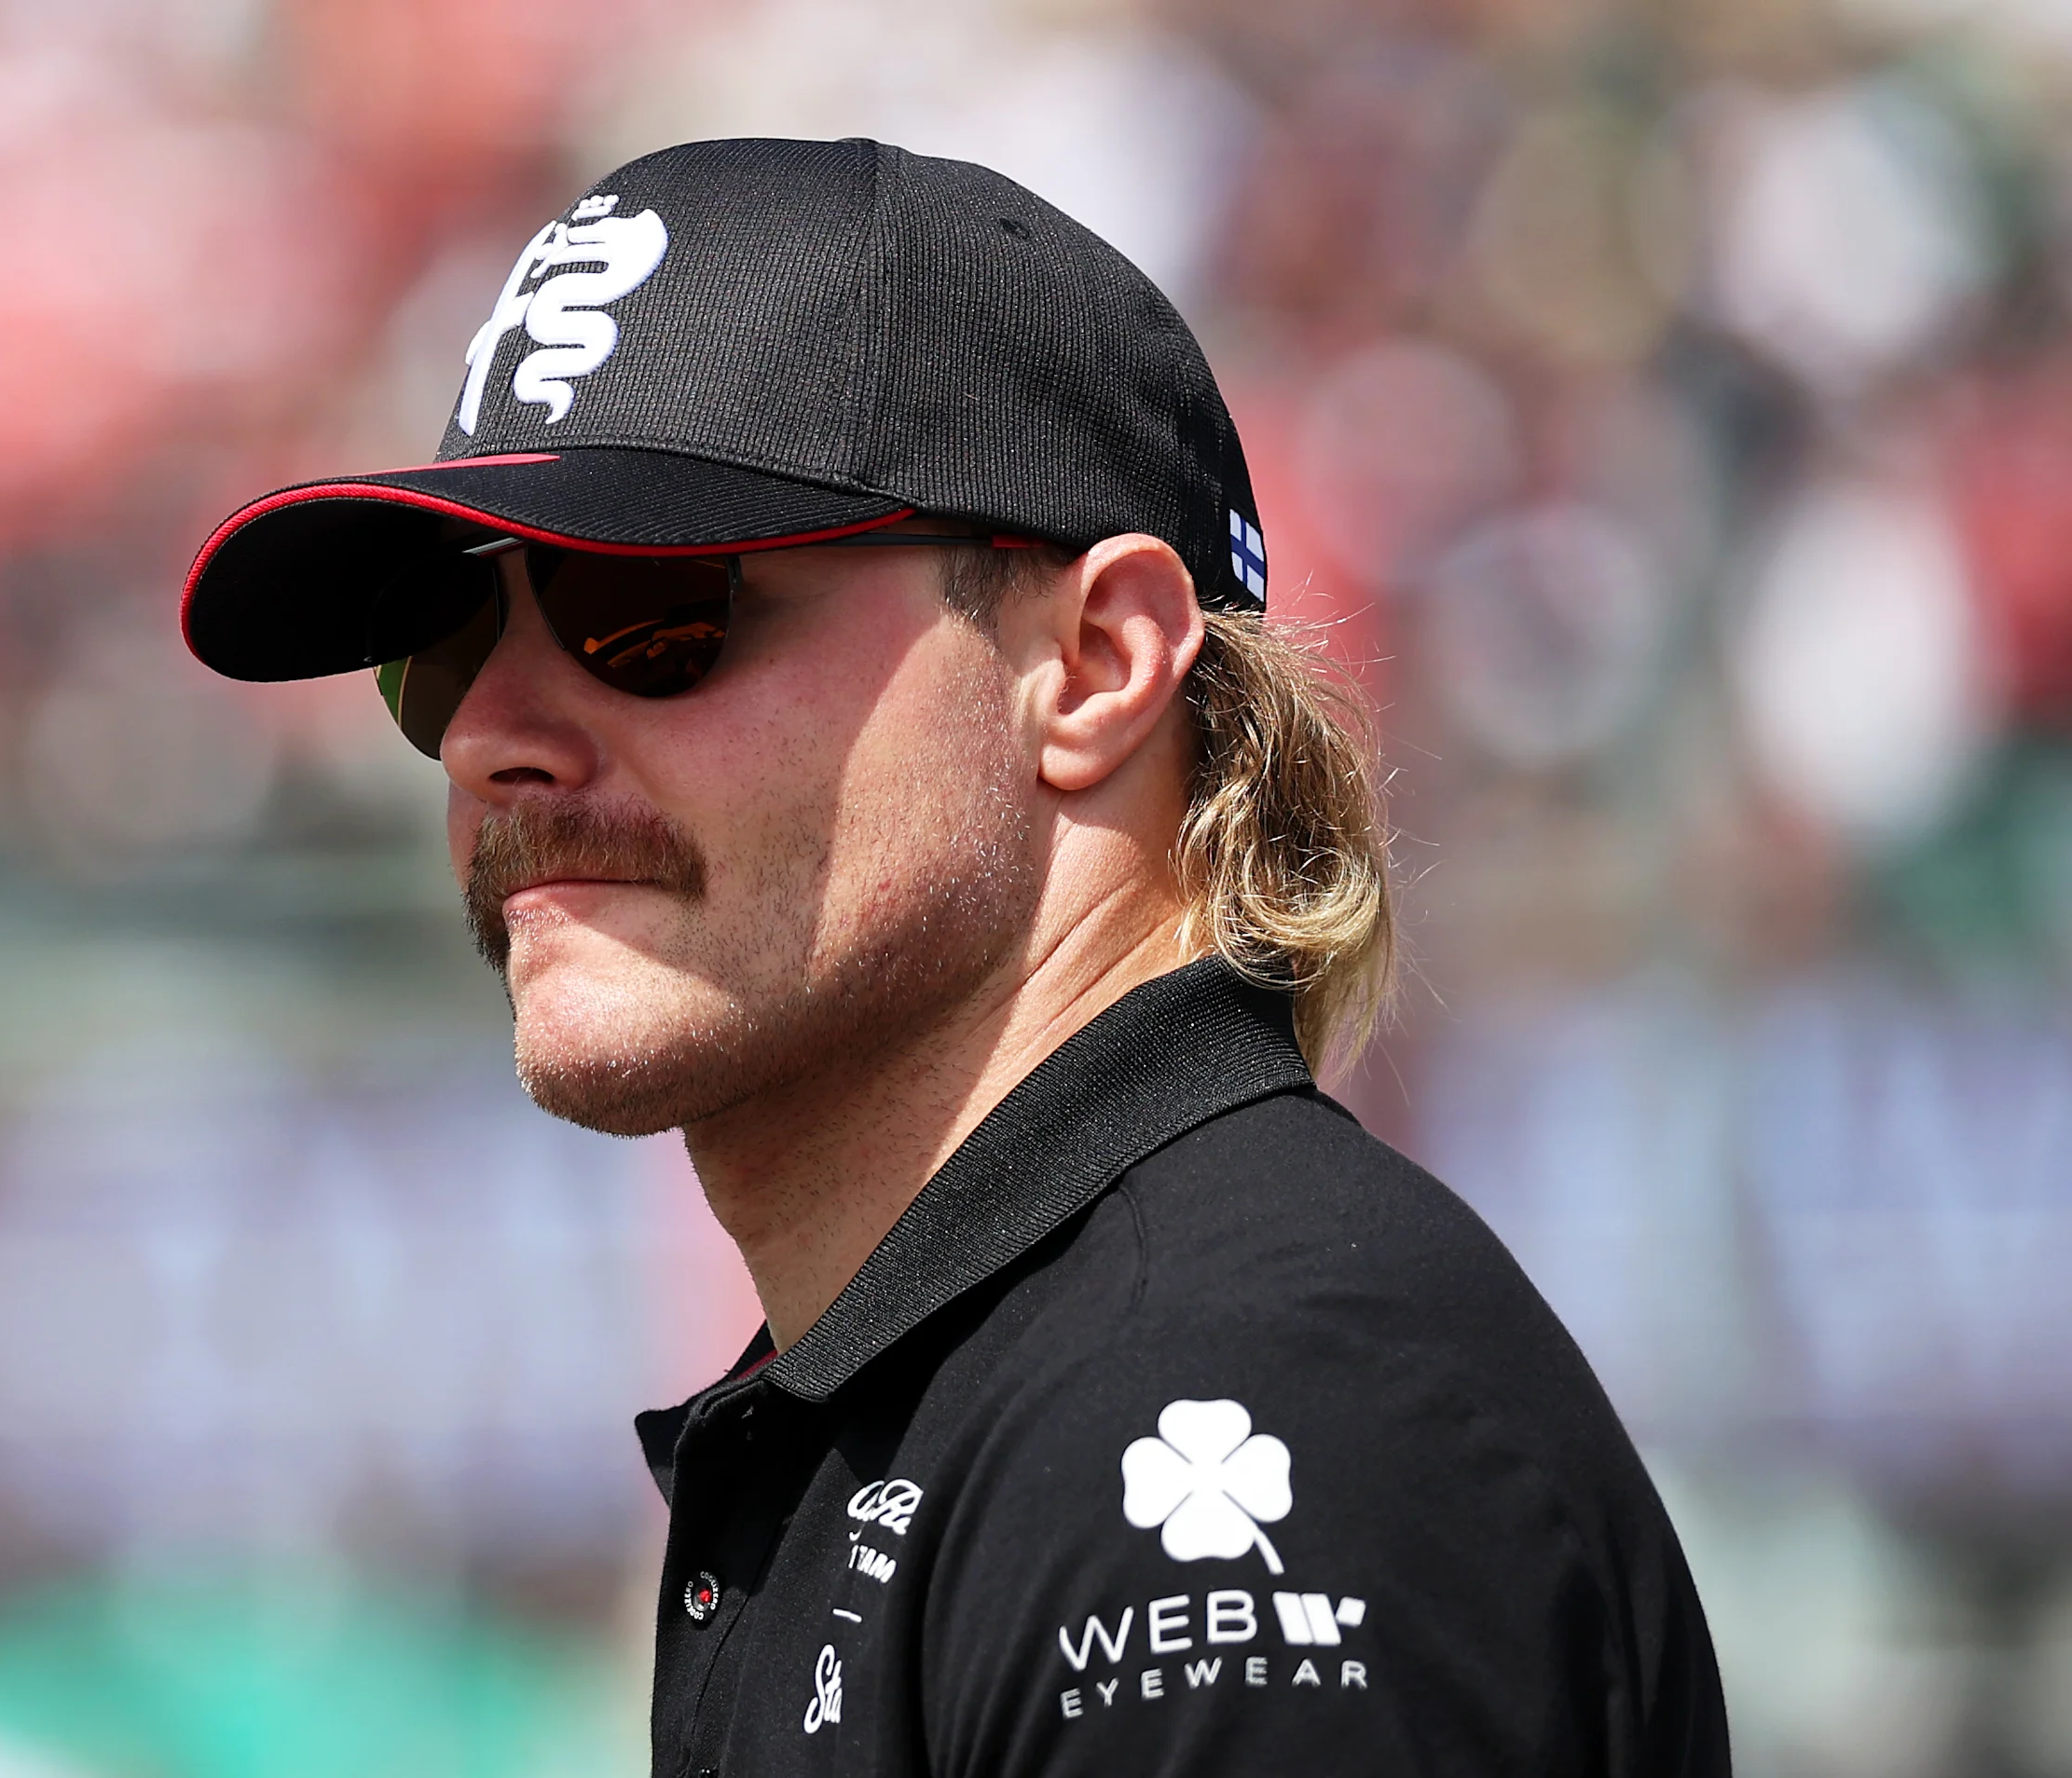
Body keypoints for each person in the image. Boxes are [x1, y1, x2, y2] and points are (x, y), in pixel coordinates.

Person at [177, 137, 1728, 1777]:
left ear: (1094, 663)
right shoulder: (989, 1391)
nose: (489, 732)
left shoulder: (1221, 1410)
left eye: (651, 606)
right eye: (447, 636)